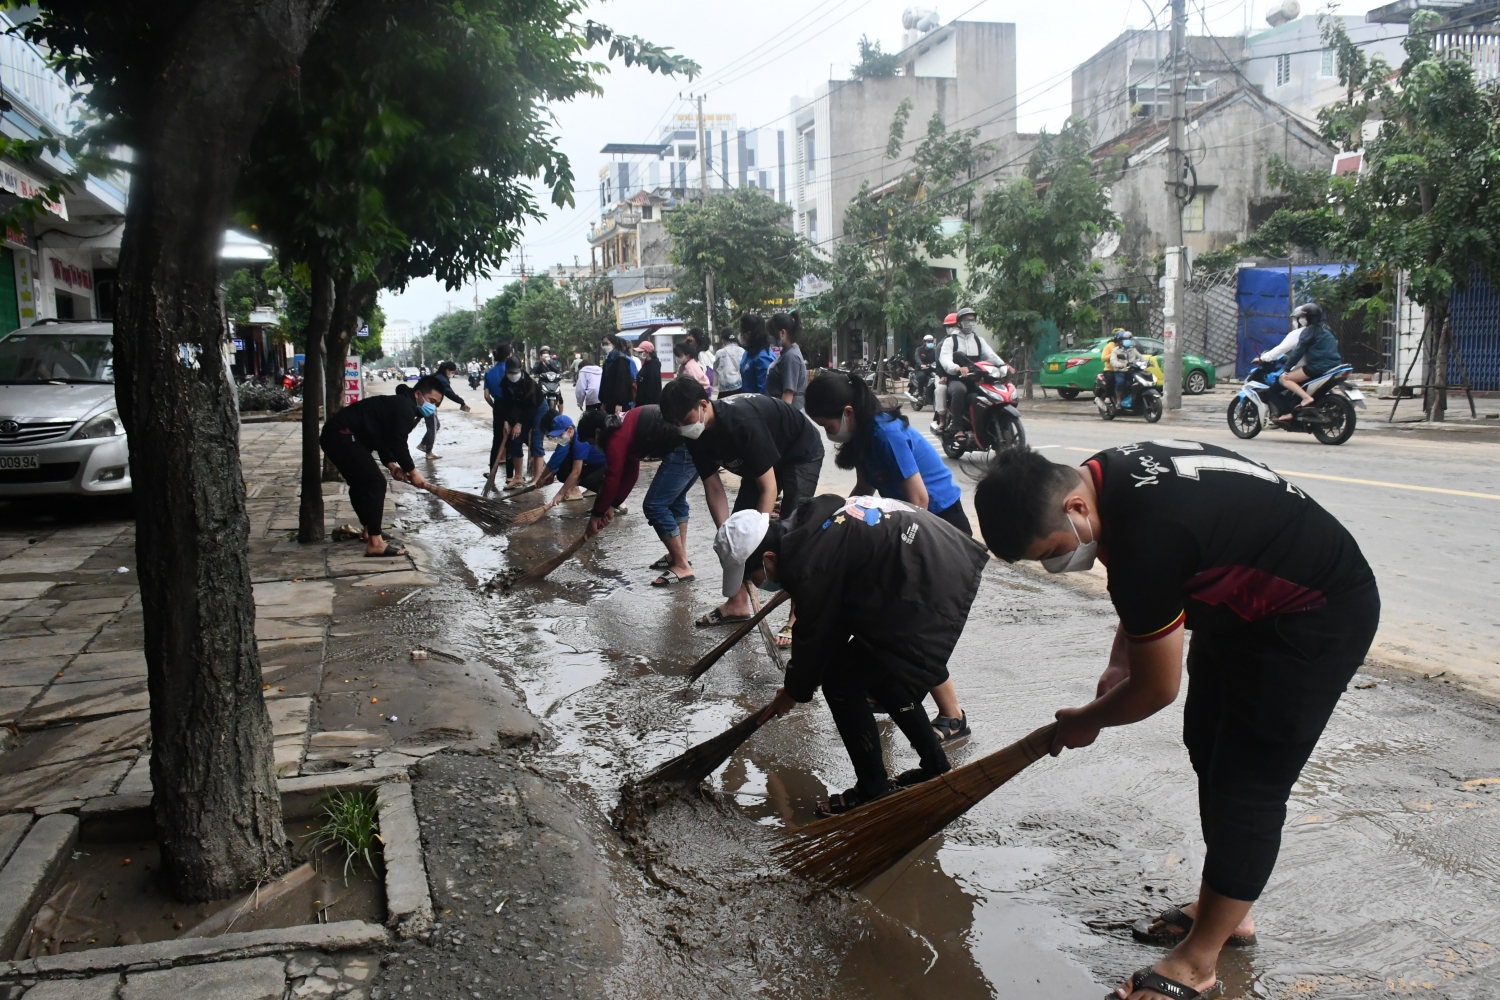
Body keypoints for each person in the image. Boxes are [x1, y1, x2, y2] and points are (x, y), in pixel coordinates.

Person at [973, 442, 1379, 1000]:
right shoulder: (1106, 476)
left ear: (1074, 508)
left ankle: (1199, 961)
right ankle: (1224, 909)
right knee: (1207, 741)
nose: (1057, 564)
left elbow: (1157, 688)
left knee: (1248, 783)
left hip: (1315, 613)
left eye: (1053, 551)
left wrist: (1086, 721)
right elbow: (1152, 590)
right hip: (1243, 610)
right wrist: (1121, 658)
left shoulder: (1145, 534)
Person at [719, 491, 988, 813]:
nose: (757, 584)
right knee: (879, 666)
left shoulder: (810, 559)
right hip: (935, 561)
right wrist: (797, 686)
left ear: (770, 559)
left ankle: (872, 787)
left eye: (754, 576)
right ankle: (935, 766)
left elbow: (816, 636)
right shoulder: (807, 528)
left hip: (928, 577)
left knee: (840, 681)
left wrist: (793, 691)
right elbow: (828, 625)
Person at [804, 369, 972, 743]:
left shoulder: (885, 432)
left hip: (940, 529)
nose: (828, 432)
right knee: (885, 617)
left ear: (848, 412)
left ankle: (954, 716)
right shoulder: (863, 436)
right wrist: (830, 523)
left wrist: (908, 555)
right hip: (914, 526)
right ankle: (886, 690)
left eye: (827, 424)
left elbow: (919, 500)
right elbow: (864, 490)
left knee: (910, 625)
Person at [658, 375, 824, 627]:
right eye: (676, 423)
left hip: (798, 450)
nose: (682, 427)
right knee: (734, 535)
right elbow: (713, 488)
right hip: (759, 463)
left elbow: (769, 488)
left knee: (794, 536)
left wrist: (757, 536)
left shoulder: (742, 423)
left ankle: (797, 617)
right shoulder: (694, 435)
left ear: (703, 405)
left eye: (685, 420)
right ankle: (737, 603)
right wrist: (728, 536)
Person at [319, 378, 442, 557]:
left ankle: (370, 531)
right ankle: (375, 543)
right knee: (376, 483)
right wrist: (413, 472)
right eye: (431, 401)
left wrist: (391, 465)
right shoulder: (405, 407)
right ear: (418, 394)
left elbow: (385, 439)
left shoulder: (403, 404)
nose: (432, 406)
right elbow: (399, 444)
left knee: (360, 484)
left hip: (337, 436)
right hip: (341, 435)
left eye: (436, 404)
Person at [584, 404, 683, 538]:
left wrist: (596, 515)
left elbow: (611, 478)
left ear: (597, 432)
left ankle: (679, 558)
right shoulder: (618, 426)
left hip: (680, 442)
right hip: (681, 437)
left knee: (654, 506)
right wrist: (612, 506)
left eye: (592, 443)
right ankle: (678, 556)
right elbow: (631, 475)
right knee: (676, 500)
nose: (595, 447)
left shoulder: (615, 438)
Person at [939, 307, 1009, 435]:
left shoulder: (978, 340)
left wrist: (1004, 364)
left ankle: (985, 428)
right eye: (967, 320)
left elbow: (991, 355)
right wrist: (957, 368)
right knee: (960, 390)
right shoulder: (951, 341)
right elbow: (944, 359)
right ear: (959, 323)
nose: (971, 323)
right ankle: (958, 428)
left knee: (987, 397)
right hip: (956, 379)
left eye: (973, 320)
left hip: (975, 380)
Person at [528, 411, 609, 515]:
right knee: (567, 473)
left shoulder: (580, 441)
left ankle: (614, 502)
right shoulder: (572, 440)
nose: (558, 439)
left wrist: (560, 493)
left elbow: (576, 472)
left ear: (570, 430)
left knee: (590, 480)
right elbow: (567, 465)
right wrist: (567, 489)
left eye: (560, 435)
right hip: (594, 465)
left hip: (605, 466)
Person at [1274, 303, 1342, 418]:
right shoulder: (1326, 329)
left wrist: (1287, 368)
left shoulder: (1309, 331)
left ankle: (1306, 398)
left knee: (1284, 379)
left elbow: (1298, 352)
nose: (1302, 319)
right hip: (1334, 365)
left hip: (1317, 367)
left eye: (1303, 317)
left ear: (1308, 318)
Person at [496, 358, 549, 487]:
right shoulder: (504, 383)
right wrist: (507, 421)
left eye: (515, 372)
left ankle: (537, 479)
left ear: (520, 370)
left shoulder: (528, 383)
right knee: (515, 441)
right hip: (520, 410)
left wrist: (519, 424)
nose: (513, 376)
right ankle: (518, 477)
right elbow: (506, 404)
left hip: (538, 408)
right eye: (510, 373)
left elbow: (530, 407)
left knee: (536, 442)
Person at [418, 361, 471, 460]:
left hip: (426, 403)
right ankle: (429, 452)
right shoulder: (441, 379)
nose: (452, 374)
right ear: (447, 370)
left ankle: (422, 444)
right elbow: (449, 393)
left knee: (436, 425)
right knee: (433, 427)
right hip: (428, 404)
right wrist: (461, 402)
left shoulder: (437, 376)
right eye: (452, 372)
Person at [764, 312, 808, 411]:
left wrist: (783, 420)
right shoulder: (787, 353)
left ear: (783, 333)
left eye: (772, 334)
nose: (770, 338)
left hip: (789, 412)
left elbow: (788, 394)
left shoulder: (790, 357)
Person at [482, 343, 515, 475]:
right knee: (511, 441)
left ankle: (492, 472)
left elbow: (486, 396)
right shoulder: (511, 370)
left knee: (497, 440)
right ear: (508, 355)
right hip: (511, 407)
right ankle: (509, 476)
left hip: (498, 407)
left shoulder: (489, 373)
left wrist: (495, 406)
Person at [599, 334, 636, 414]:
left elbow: (622, 383)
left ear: (614, 344)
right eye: (603, 344)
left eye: (606, 343)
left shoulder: (621, 360)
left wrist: (620, 402)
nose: (604, 346)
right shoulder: (608, 361)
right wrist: (603, 401)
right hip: (609, 401)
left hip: (619, 404)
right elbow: (604, 381)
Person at [737, 315, 774, 396]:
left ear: (748, 334)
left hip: (758, 404)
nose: (740, 335)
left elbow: (765, 390)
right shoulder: (748, 352)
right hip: (748, 402)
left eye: (742, 332)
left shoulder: (763, 357)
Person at [1109, 330, 1144, 407]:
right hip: (1120, 371)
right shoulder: (1116, 350)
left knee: (1140, 382)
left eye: (1128, 339)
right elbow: (1113, 360)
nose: (1127, 341)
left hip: (1131, 371)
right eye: (1125, 339)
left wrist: (1147, 362)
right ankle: (1118, 401)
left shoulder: (1133, 349)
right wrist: (1120, 365)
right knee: (1120, 382)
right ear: (1120, 341)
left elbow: (1140, 357)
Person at [714, 330, 745, 397]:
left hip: (724, 390)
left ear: (722, 339)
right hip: (740, 387)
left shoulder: (719, 353)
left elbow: (715, 369)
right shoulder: (742, 351)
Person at [634, 340, 663, 407]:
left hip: (648, 405)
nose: (638, 354)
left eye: (640, 352)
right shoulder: (647, 364)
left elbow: (652, 387)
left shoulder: (653, 366)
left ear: (647, 352)